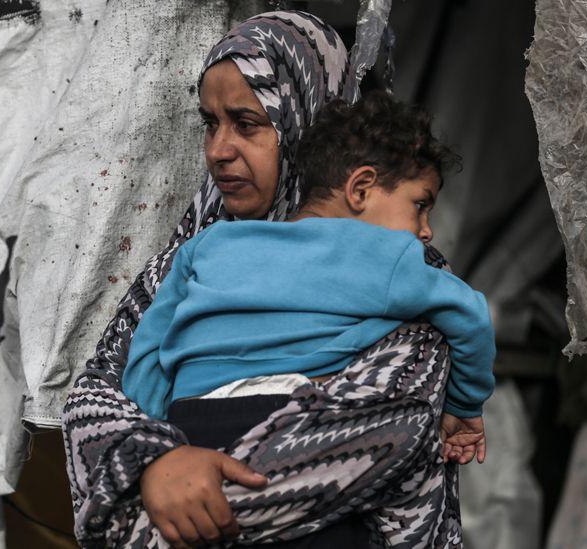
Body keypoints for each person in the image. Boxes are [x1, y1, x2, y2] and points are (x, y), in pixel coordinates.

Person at [63, 11, 466, 548]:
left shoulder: (407, 270)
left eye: (247, 124)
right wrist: (153, 465)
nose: (217, 150)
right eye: (210, 123)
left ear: (304, 119)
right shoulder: (191, 258)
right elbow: (95, 397)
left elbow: (382, 426)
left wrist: (159, 502)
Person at [122, 90, 494, 478]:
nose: (426, 230)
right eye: (420, 205)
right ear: (361, 188)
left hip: (189, 424)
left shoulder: (206, 245)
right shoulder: (389, 256)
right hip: (288, 427)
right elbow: (471, 316)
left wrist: (162, 436)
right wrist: (465, 406)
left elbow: (148, 350)